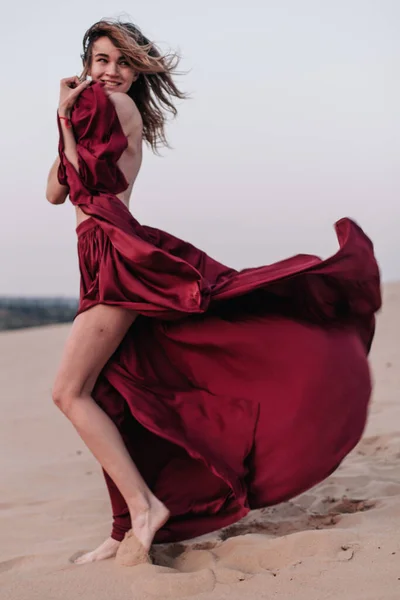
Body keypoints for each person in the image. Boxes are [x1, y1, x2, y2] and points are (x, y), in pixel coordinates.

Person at [46, 19, 381, 565]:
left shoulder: (113, 110)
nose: (110, 72)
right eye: (101, 61)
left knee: (69, 391)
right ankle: (122, 527)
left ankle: (145, 508)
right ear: (87, 64)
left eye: (122, 63)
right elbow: (53, 192)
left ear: (137, 72)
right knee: (114, 395)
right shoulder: (91, 111)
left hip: (115, 255)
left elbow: (86, 186)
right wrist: (64, 125)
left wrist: (63, 118)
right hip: (98, 251)